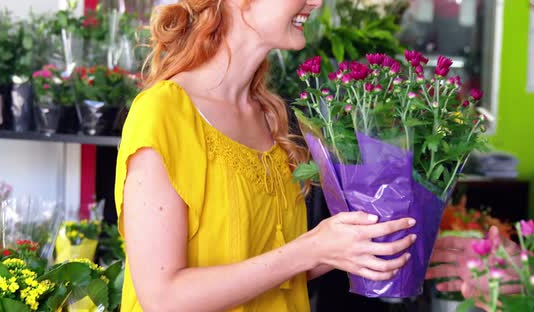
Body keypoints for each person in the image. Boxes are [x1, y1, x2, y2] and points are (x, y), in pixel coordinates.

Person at [114, 0, 417, 311]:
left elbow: (271, 268)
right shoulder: (163, 113)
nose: (317, 2)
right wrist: (310, 249)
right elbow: (163, 299)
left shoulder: (271, 119)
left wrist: (353, 245)